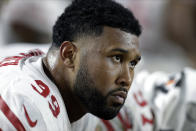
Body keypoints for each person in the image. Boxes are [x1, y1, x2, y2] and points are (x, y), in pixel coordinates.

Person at [0, 0, 142, 130]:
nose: (127, 79)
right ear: (69, 55)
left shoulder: (77, 91)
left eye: (132, 63)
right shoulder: (25, 105)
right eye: (116, 58)